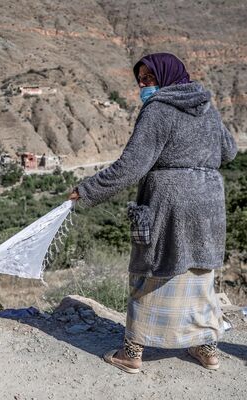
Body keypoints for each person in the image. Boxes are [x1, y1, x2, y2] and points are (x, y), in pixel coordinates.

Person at [69, 52, 237, 373]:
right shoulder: (207, 108)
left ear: (166, 77)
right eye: (141, 80)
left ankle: (132, 352)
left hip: (168, 203)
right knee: (199, 274)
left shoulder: (158, 110)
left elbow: (132, 165)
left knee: (151, 272)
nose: (144, 86)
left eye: (149, 79)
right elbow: (228, 151)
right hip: (208, 204)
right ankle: (206, 347)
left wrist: (88, 190)